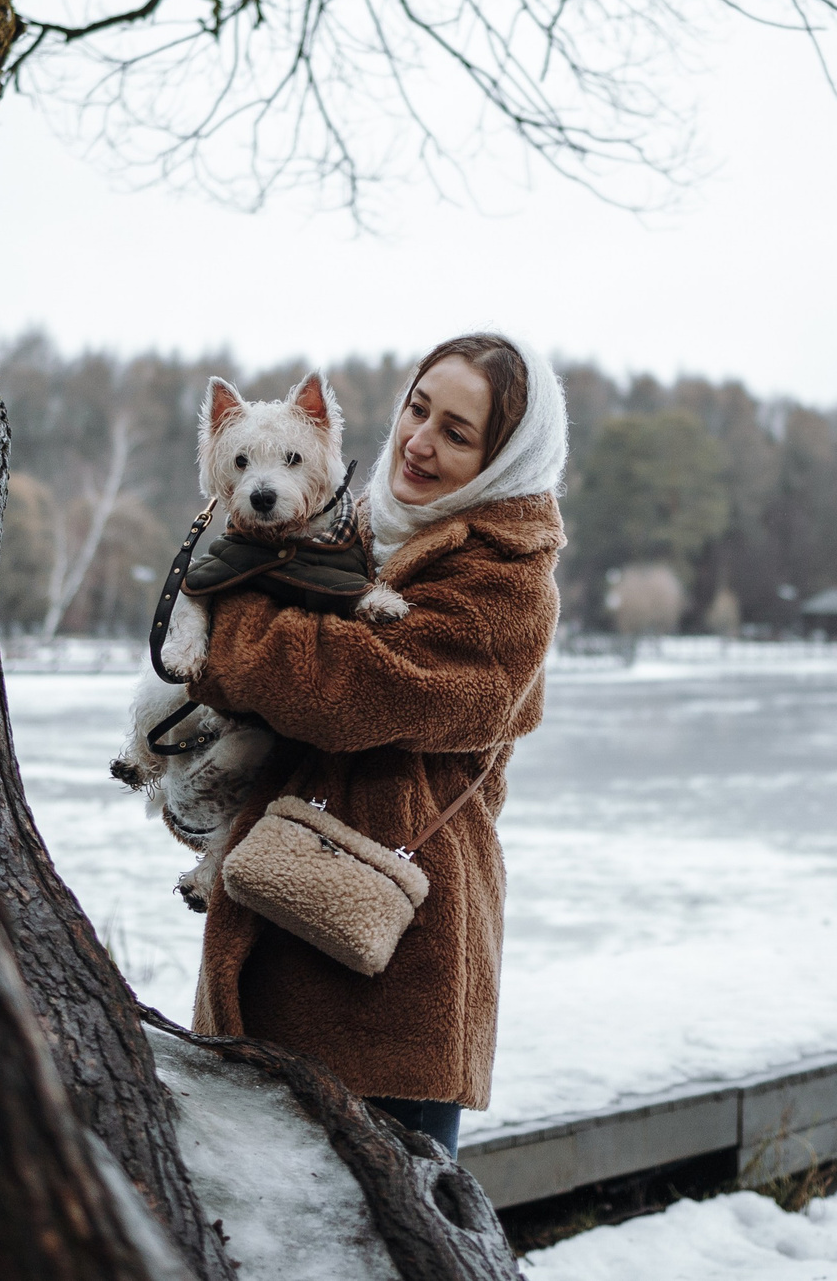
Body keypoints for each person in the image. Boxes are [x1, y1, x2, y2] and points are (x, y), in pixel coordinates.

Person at [186, 333, 567, 1160]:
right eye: (417, 409)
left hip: (399, 963)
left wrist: (232, 617)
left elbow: (349, 690)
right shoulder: (350, 530)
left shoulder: (509, 581)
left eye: (456, 433)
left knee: (385, 1211)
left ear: (504, 461)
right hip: (281, 904)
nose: (419, 441)